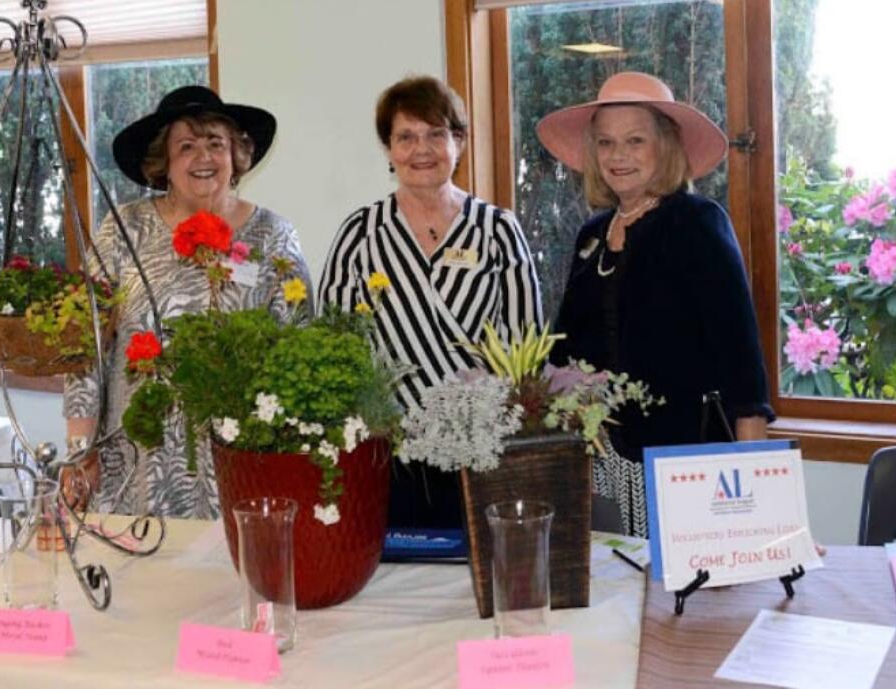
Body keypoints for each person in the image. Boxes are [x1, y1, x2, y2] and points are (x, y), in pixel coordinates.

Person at [538, 71, 773, 537]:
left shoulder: (697, 223)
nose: (618, 155)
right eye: (605, 143)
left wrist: (757, 495)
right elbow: (563, 356)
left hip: (687, 467)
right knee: (616, 600)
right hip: (602, 465)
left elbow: (743, 365)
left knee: (685, 603)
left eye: (634, 140)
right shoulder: (592, 236)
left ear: (664, 147)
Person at [63, 85, 311, 519]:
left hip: (242, 451)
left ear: (237, 154)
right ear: (165, 162)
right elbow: (86, 343)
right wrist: (80, 450)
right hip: (136, 452)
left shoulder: (273, 235)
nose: (204, 158)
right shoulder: (124, 228)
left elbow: (298, 345)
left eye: (216, 143)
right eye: (187, 146)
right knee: (141, 580)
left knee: (234, 576)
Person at [318, 75, 542, 529]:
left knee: (481, 580)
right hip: (389, 452)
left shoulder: (498, 229)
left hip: (483, 448)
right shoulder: (360, 233)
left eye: (436, 134)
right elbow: (335, 340)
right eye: (406, 137)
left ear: (458, 142)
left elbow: (526, 342)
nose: (422, 149)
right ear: (388, 148)